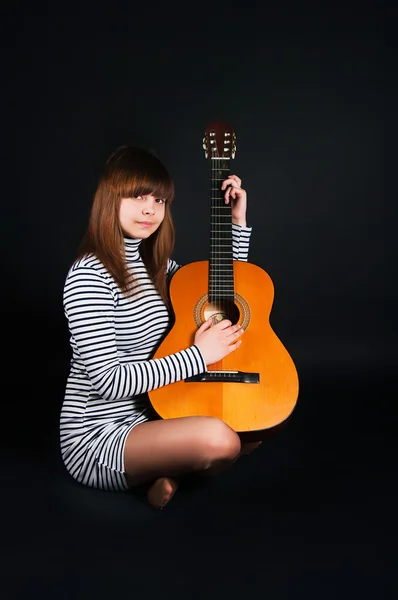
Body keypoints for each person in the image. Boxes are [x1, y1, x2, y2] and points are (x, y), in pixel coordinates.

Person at [60, 144, 261, 509]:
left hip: (154, 412)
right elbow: (108, 381)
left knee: (255, 428)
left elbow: (221, 291)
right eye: (138, 197)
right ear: (110, 199)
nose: (150, 209)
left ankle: (164, 471)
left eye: (160, 201)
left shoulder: (155, 265)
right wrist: (198, 355)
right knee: (223, 441)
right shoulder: (89, 275)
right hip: (97, 437)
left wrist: (237, 223)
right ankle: (165, 468)